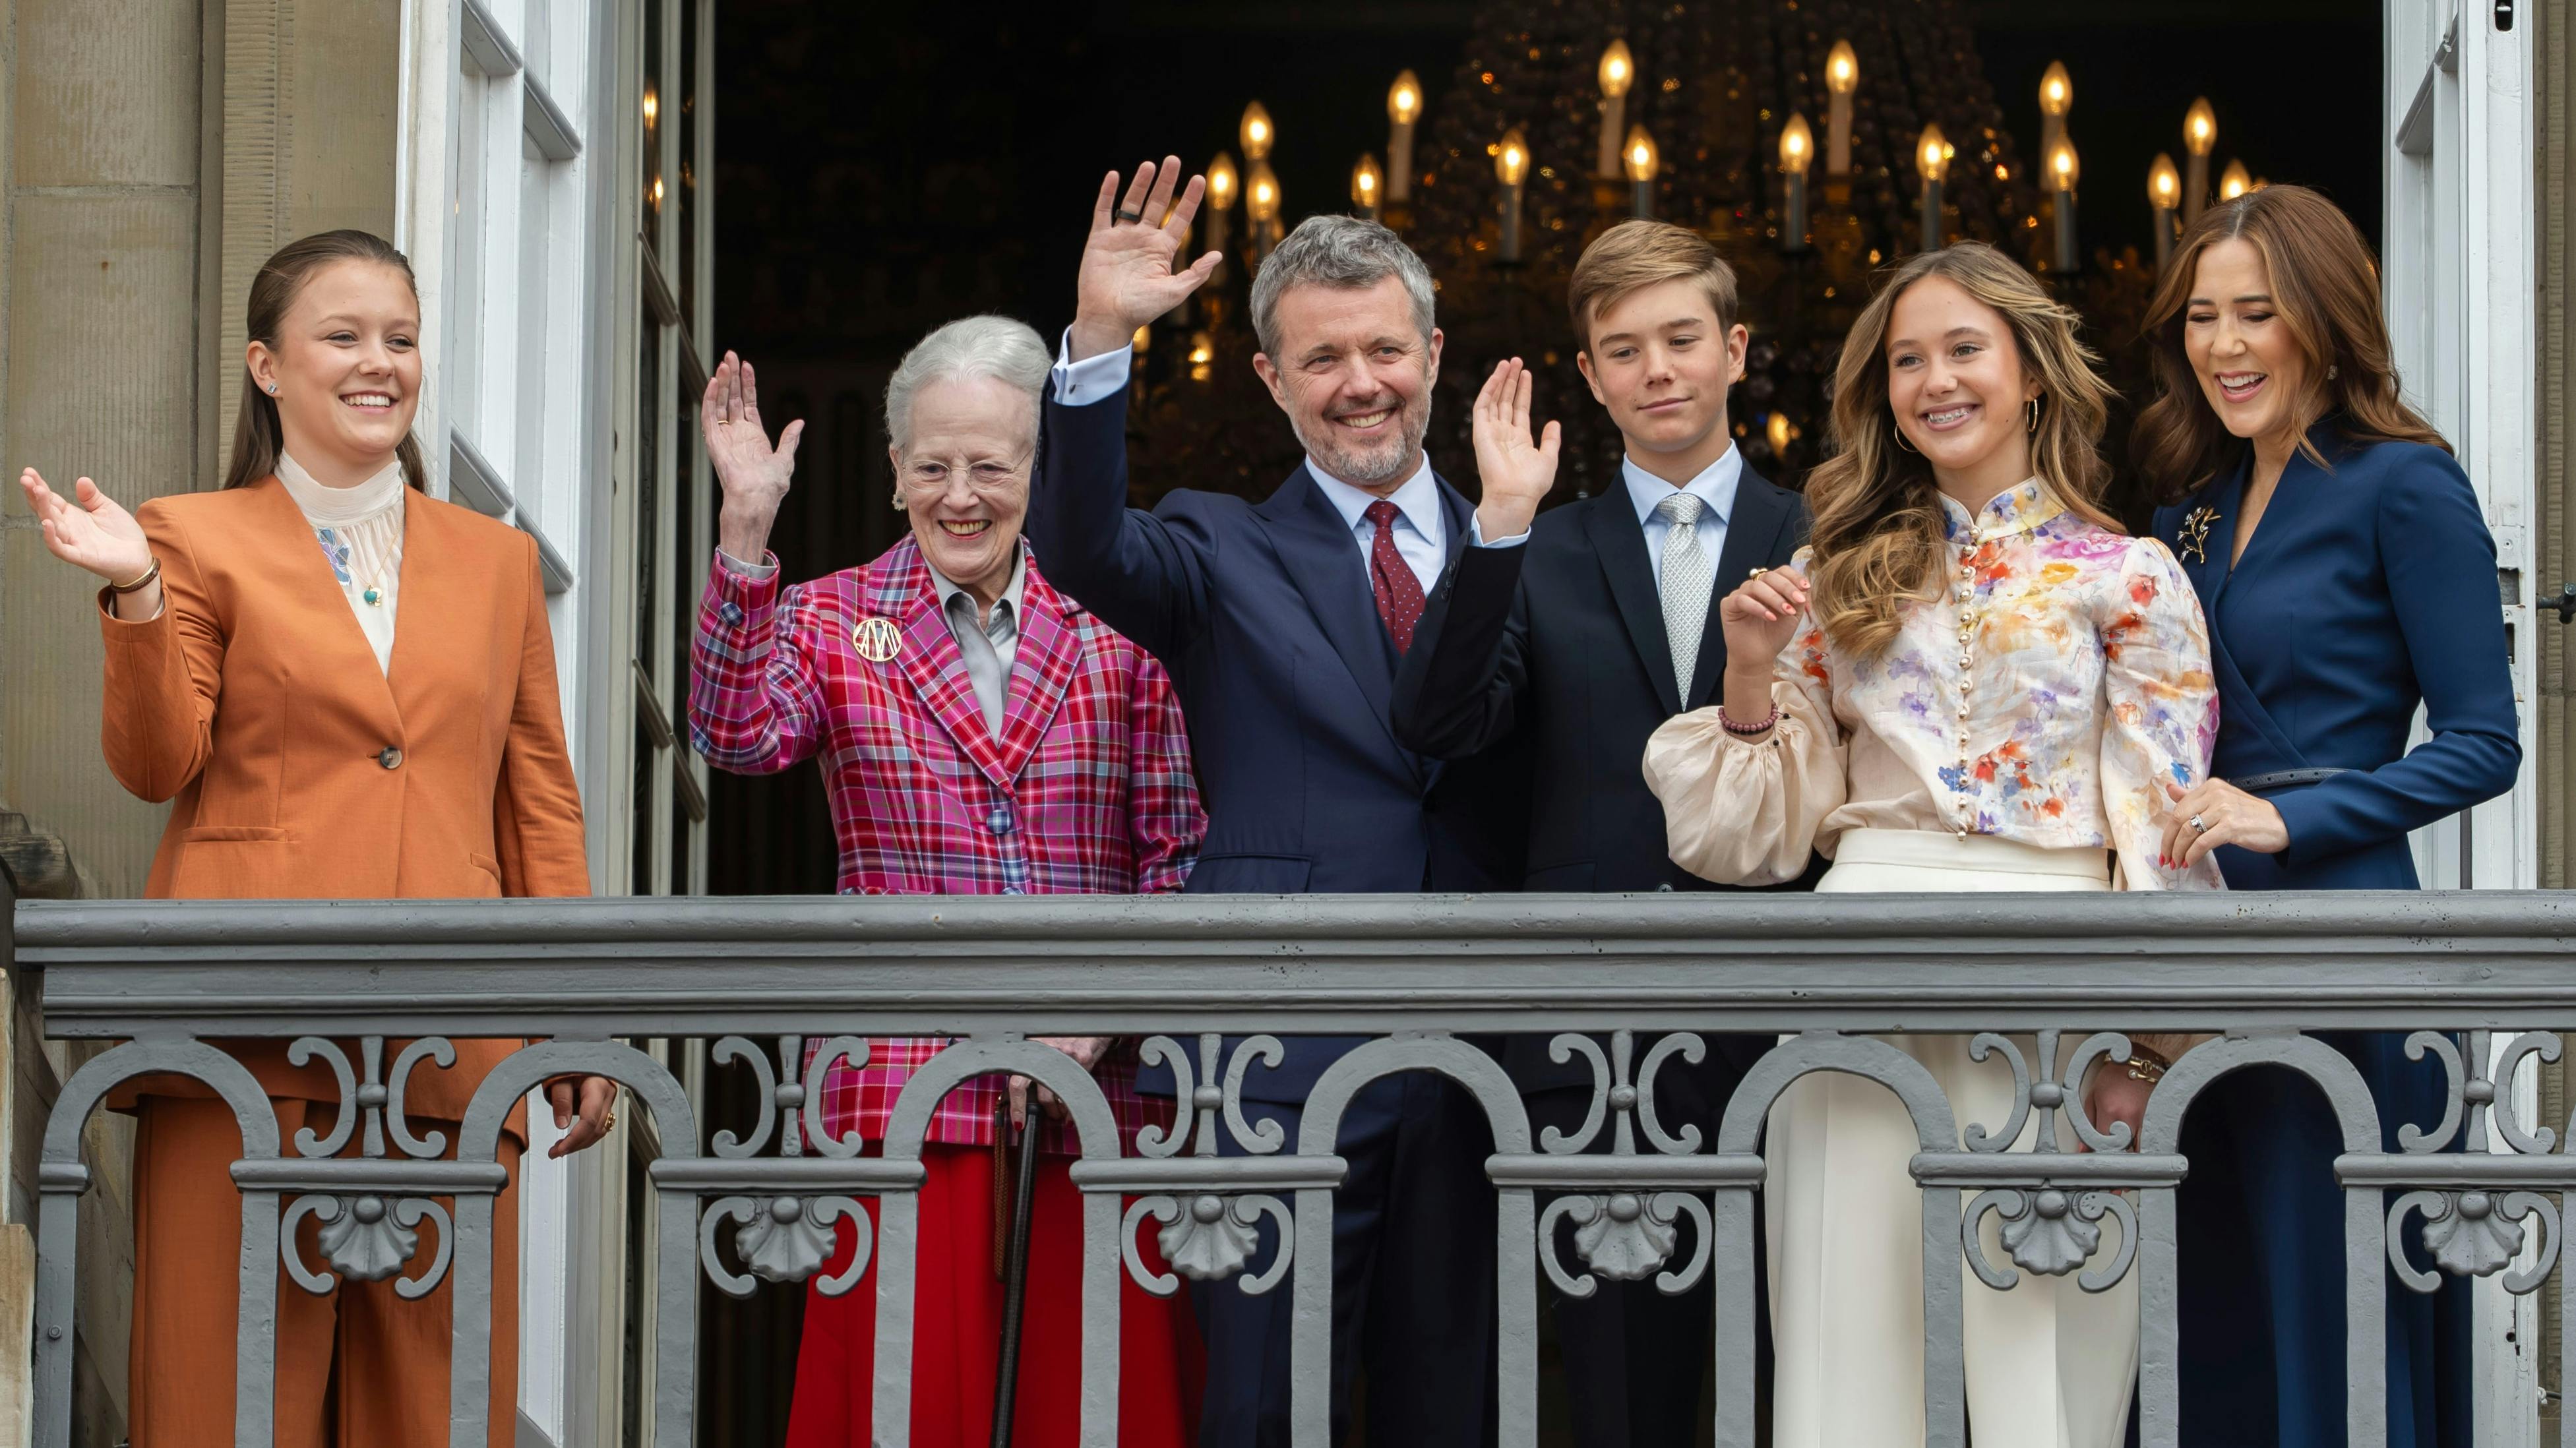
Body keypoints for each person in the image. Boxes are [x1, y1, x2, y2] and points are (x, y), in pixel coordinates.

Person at [16, 229, 611, 1447]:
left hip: (451, 1042)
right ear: (267, 367)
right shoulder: (190, 533)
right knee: (220, 1407)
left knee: (436, 1417)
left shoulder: (497, 565)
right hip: (241, 1032)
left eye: (399, 337)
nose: (378, 362)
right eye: (341, 336)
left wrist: (576, 1012)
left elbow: (536, 797)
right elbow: (154, 765)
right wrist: (134, 593)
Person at [1643, 241, 2223, 1448]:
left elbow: (2159, 824)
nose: (1934, 380)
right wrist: (1748, 670)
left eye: (1963, 349)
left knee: (2051, 1352)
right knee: (1845, 1347)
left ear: (2031, 373)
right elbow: (1753, 834)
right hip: (1861, 967)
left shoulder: (2130, 572)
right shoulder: (1832, 570)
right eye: (1907, 360)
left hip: (2060, 988)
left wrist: (2153, 1049)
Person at [1024, 160, 1523, 1446]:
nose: (1360, 383)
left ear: (1433, 352)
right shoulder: (1216, 545)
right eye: (1321, 361)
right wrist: (1093, 343)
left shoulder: (1518, 544)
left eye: (1383, 350)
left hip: (1480, 1050)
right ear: (1270, 380)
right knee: (1257, 1406)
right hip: (1272, 1049)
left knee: (1453, 1408)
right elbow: (1081, 549)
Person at [686, 317, 1206, 1448]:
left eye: (991, 465)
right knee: (902, 1412)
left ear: (1041, 472)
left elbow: (1178, 862)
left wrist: (1106, 1012)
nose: (959, 495)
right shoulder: (829, 617)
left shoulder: (1119, 638)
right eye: (932, 466)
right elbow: (735, 737)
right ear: (892, 476)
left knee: (1090, 1413)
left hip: (1090, 1112)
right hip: (903, 1097)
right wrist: (744, 531)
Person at [1390, 220, 1807, 1445]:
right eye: (1623, 350)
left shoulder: (1820, 529)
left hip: (1795, 1009)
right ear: (1589, 374)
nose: (1657, 370)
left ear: (1734, 348)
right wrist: (1501, 527)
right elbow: (1439, 720)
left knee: (1810, 1369)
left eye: (1682, 339)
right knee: (1618, 1388)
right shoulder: (1544, 548)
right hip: (1591, 1026)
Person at [2140, 185, 2516, 1448]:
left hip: (2341, 948)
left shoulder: (2402, 486)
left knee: (2331, 1314)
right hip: (2191, 956)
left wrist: (2295, 821)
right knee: (2211, 1312)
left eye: (2257, 312)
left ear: (2325, 318)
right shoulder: (2180, 514)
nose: (2225, 344)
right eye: (2202, 317)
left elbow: (2483, 744)